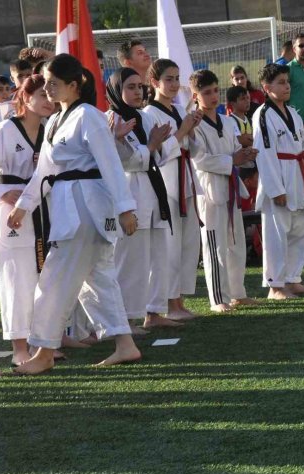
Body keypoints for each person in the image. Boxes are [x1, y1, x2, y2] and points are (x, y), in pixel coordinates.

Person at [7, 54, 142, 375]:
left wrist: (126, 208)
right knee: (96, 281)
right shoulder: (55, 121)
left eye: (54, 83)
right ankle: (125, 345)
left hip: (86, 208)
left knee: (53, 280)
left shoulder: (89, 117)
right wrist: (23, 205)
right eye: (45, 83)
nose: (48, 88)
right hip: (68, 206)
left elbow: (110, 162)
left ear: (73, 85)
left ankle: (43, 352)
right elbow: (44, 171)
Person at [0, 74, 53, 366]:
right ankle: (19, 346)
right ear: (25, 97)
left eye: (50, 95)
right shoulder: (4, 131)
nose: (48, 101)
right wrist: (3, 191)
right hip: (11, 214)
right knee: (15, 279)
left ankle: (42, 341)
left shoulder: (50, 129)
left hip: (44, 209)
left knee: (43, 276)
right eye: (42, 96)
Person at [105, 67, 180, 329]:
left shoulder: (143, 117)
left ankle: (155, 312)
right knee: (131, 260)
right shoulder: (110, 120)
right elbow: (121, 161)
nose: (138, 91)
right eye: (131, 87)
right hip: (129, 194)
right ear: (116, 90)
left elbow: (160, 155)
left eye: (139, 86)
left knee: (158, 255)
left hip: (153, 188)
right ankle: (126, 317)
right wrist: (150, 146)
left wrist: (157, 145)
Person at [189, 69, 258, 312]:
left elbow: (234, 152)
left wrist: (246, 156)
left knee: (235, 242)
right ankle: (218, 298)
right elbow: (200, 160)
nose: (213, 96)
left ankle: (238, 292)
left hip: (231, 186)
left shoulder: (228, 121)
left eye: (216, 91)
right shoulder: (193, 124)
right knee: (214, 244)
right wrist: (233, 159)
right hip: (209, 189)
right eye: (206, 92)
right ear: (195, 95)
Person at [144, 58, 203, 321]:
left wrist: (193, 129)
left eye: (177, 78)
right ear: (154, 82)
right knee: (169, 246)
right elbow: (156, 155)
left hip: (186, 181)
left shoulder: (180, 109)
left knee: (187, 244)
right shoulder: (149, 114)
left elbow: (194, 149)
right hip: (166, 184)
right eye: (168, 79)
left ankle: (178, 300)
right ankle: (167, 303)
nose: (174, 84)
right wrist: (182, 132)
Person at [253, 63, 304, 300]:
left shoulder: (294, 114)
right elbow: (264, 153)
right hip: (279, 177)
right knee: (276, 234)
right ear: (266, 87)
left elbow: (303, 152)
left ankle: (293, 279)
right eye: (280, 82)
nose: (287, 85)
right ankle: (275, 285)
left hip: (297, 175)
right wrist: (275, 189)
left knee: (299, 231)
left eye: (287, 81)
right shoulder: (263, 115)